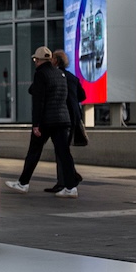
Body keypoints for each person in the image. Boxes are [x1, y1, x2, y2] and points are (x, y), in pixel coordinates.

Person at [5, 46, 79, 198]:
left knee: (34, 152)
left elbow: (38, 101)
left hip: (46, 121)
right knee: (64, 154)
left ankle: (23, 183)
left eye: (35, 60)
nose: (35, 62)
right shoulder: (60, 74)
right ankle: (71, 188)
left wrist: (36, 124)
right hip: (62, 120)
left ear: (38, 60)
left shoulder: (41, 75)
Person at [44, 49, 86, 193]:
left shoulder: (57, 76)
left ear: (55, 61)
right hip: (74, 117)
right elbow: (82, 95)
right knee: (63, 150)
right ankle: (69, 178)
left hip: (63, 118)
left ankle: (66, 181)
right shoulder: (72, 77)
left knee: (62, 151)